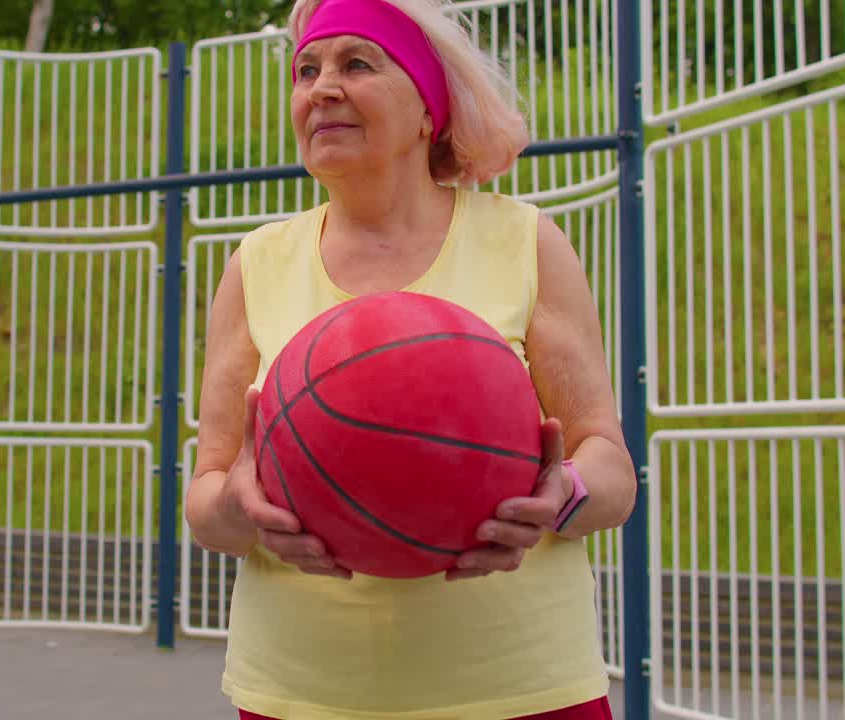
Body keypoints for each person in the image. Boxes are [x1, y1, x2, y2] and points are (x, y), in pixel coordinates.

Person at [184, 0, 637, 717]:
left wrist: (563, 495)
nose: (321, 88)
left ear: (429, 108)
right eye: (305, 71)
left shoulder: (523, 242)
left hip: (520, 686)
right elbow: (207, 499)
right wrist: (238, 506)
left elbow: (610, 467)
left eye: (357, 64)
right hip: (305, 691)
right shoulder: (257, 262)